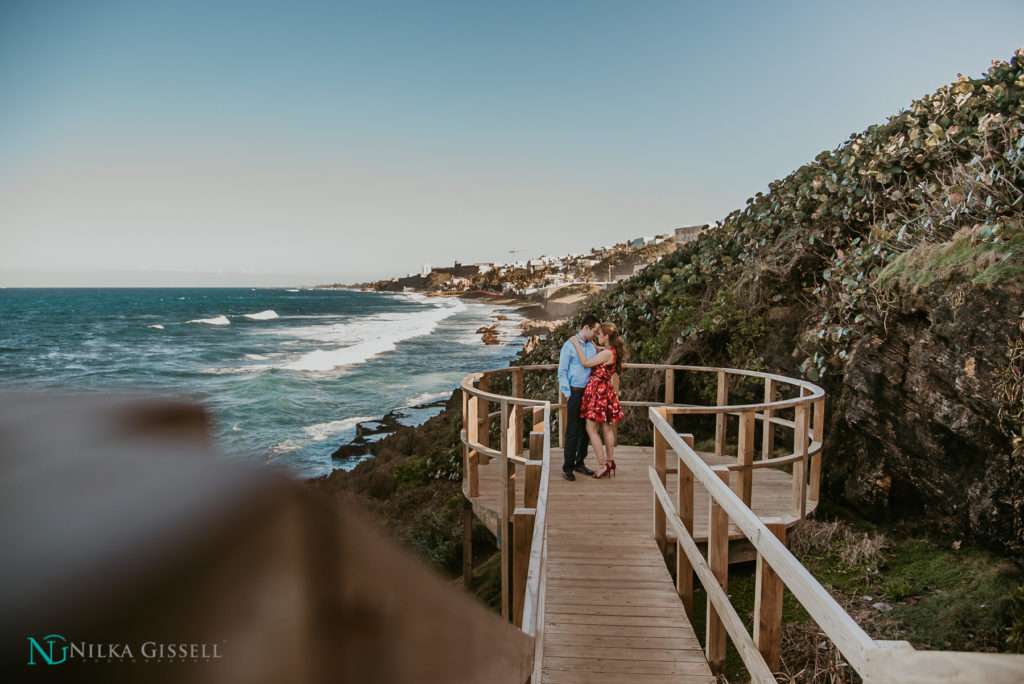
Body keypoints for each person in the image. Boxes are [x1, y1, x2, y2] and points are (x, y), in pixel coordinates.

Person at [570, 322, 626, 479]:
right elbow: (598, 350)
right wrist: (593, 343)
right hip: (605, 390)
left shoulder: (607, 353)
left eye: (599, 334)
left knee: (591, 429)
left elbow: (586, 363)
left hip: (597, 391)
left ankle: (602, 465)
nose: (597, 336)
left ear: (606, 336)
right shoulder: (611, 351)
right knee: (606, 427)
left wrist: (577, 344)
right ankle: (610, 461)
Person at [557, 314, 601, 481]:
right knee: (572, 431)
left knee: (586, 430)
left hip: (589, 393)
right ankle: (567, 467)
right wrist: (568, 394)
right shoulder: (569, 346)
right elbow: (562, 372)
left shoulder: (591, 346)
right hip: (574, 392)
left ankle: (579, 463)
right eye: (595, 331)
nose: (596, 335)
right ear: (586, 328)